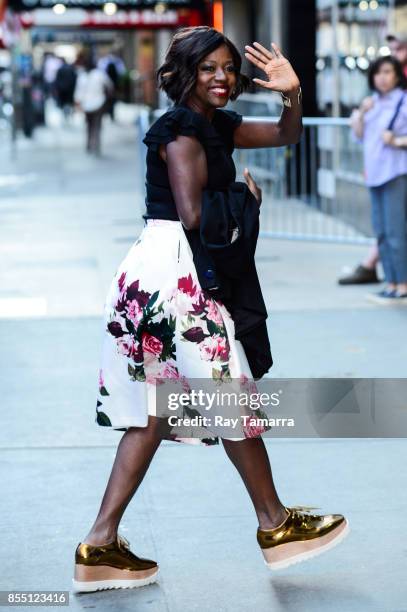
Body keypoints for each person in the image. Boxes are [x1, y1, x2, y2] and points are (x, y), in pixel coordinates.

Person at [72, 26, 349, 594]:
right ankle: (275, 525)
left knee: (155, 412)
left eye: (228, 68)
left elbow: (284, 133)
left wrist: (292, 93)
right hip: (176, 275)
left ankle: (100, 544)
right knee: (227, 395)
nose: (222, 78)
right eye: (208, 69)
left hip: (161, 271)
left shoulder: (213, 125)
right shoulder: (181, 130)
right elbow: (194, 214)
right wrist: (246, 201)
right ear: (184, 75)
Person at [339, 35, 407, 286]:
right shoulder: (373, 103)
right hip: (375, 173)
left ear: (397, 75)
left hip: (396, 173)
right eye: (378, 72)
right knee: (381, 233)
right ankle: (391, 283)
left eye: (388, 71)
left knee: (396, 232)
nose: (382, 77)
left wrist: (398, 141)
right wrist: (360, 114)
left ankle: (402, 284)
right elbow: (358, 136)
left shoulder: (403, 100)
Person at [74, 55, 113, 155]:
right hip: (99, 103)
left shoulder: (82, 76)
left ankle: (89, 145)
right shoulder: (100, 74)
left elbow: (78, 92)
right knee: (97, 125)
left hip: (86, 105)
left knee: (89, 125)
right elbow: (109, 85)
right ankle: (96, 145)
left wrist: (78, 103)